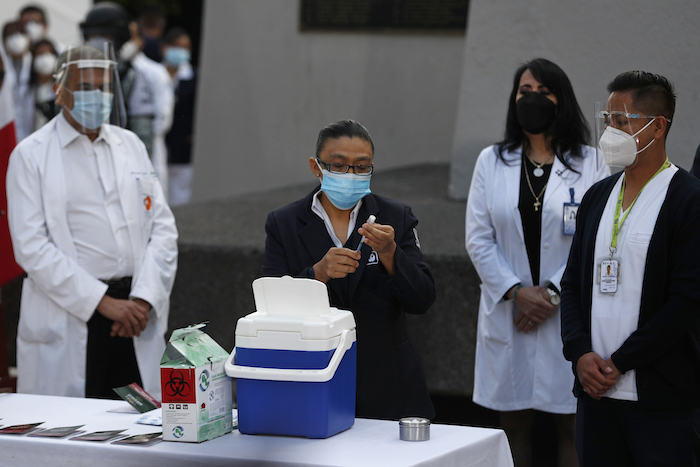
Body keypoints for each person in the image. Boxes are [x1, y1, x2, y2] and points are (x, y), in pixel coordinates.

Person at [6, 45, 178, 400]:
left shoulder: (130, 145)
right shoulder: (30, 155)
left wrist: (144, 299)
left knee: (139, 427)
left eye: (103, 87)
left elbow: (161, 227)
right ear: (59, 90)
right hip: (73, 311)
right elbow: (31, 247)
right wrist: (101, 301)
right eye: (85, 87)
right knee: (71, 437)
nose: (96, 96)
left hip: (134, 313)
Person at [465, 58, 609, 467]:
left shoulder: (590, 162)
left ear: (561, 101)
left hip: (567, 311)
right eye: (524, 91)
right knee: (513, 423)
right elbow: (478, 238)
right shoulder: (491, 161)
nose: (532, 99)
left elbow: (592, 237)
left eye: (543, 92)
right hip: (511, 311)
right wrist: (517, 292)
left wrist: (550, 294)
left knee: (571, 422)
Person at [561, 71, 700, 466]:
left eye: (622, 122)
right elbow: (572, 285)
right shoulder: (597, 196)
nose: (610, 132)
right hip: (596, 396)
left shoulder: (688, 200)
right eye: (607, 121)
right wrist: (580, 353)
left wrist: (620, 362)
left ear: (657, 127)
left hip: (661, 400)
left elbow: (686, 302)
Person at [263, 120, 435, 421]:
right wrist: (317, 273)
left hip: (387, 385)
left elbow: (422, 298)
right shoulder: (284, 223)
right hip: (312, 378)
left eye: (361, 167)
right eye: (339, 166)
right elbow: (269, 305)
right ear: (317, 168)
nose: (350, 175)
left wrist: (390, 254)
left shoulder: (395, 217)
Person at [80, 2, 173, 197]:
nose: (97, 42)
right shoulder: (83, 73)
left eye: (104, 36)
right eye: (93, 36)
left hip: (137, 160)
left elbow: (157, 124)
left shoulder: (147, 73)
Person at [162, 27, 196, 206]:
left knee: (181, 191)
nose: (182, 52)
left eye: (186, 47)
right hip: (158, 140)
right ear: (166, 48)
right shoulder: (154, 73)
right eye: (178, 47)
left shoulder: (194, 77)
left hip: (183, 143)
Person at [2, 21, 33, 142]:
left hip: (33, 130)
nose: (16, 39)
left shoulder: (37, 63)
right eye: (11, 35)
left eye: (21, 34)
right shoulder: (2, 65)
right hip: (7, 129)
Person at [29, 38, 58, 130]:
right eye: (40, 54)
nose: (45, 58)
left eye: (50, 53)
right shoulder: (27, 90)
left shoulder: (63, 89)